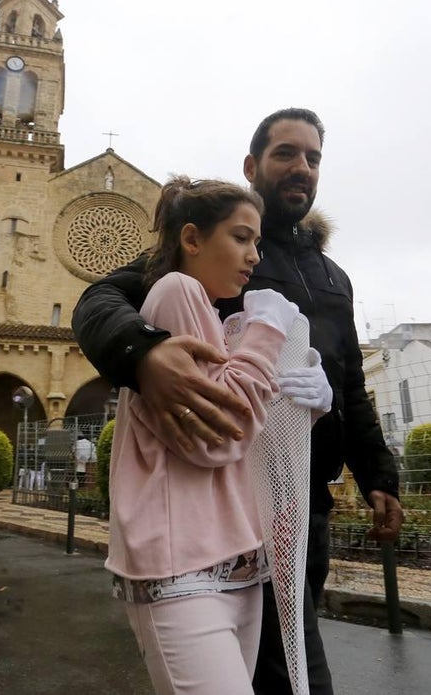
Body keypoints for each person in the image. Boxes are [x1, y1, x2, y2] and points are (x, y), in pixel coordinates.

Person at [72, 108, 403, 693]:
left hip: (305, 501)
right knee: (296, 671)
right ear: (253, 166)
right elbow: (102, 299)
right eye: (286, 154)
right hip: (232, 501)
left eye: (313, 157)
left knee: (291, 653)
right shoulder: (212, 254)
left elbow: (349, 378)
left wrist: (378, 473)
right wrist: (143, 353)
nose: (302, 167)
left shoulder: (332, 275)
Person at [106, 175, 306, 693]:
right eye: (241, 238)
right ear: (192, 239)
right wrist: (266, 332)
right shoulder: (178, 291)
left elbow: (249, 437)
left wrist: (306, 397)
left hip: (235, 563)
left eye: (257, 242)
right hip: (181, 569)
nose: (254, 256)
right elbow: (220, 436)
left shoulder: (213, 316)